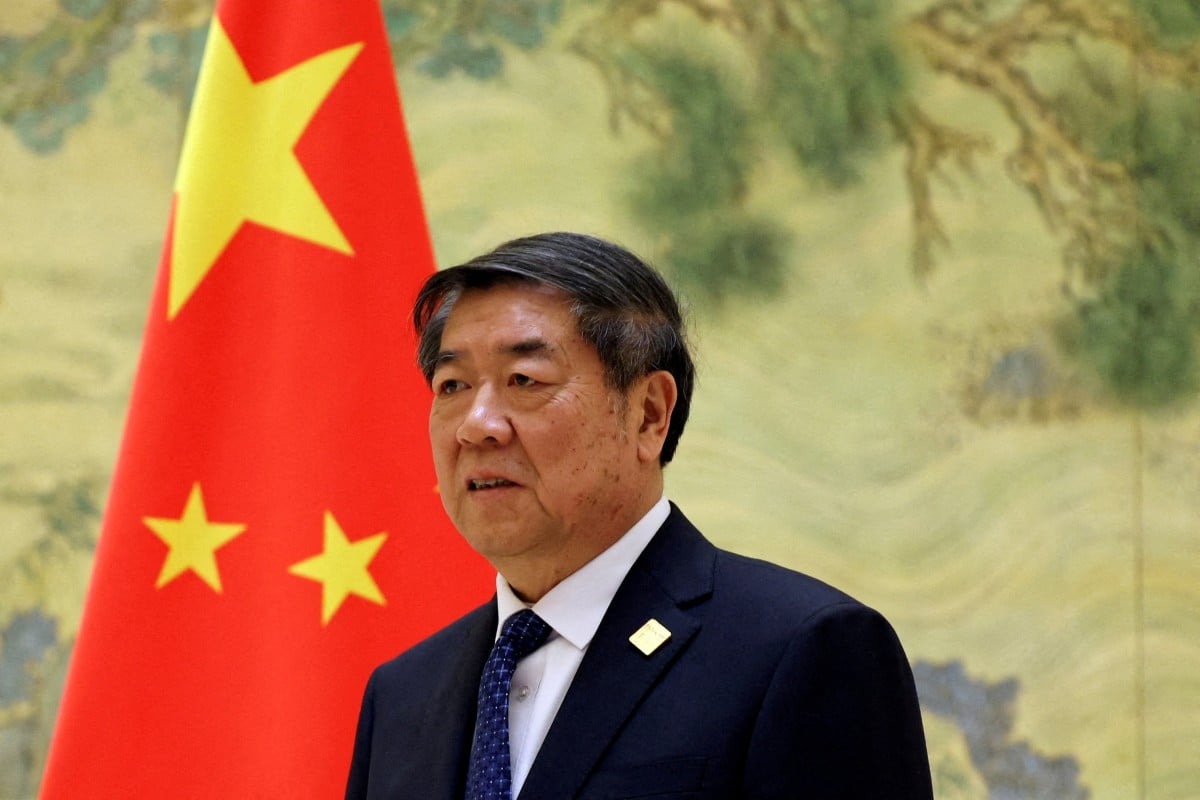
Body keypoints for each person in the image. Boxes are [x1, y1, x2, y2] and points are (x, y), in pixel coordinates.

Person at [344, 232, 933, 799]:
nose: (476, 426)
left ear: (649, 414)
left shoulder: (801, 650)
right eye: (452, 386)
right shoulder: (402, 695)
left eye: (524, 380)